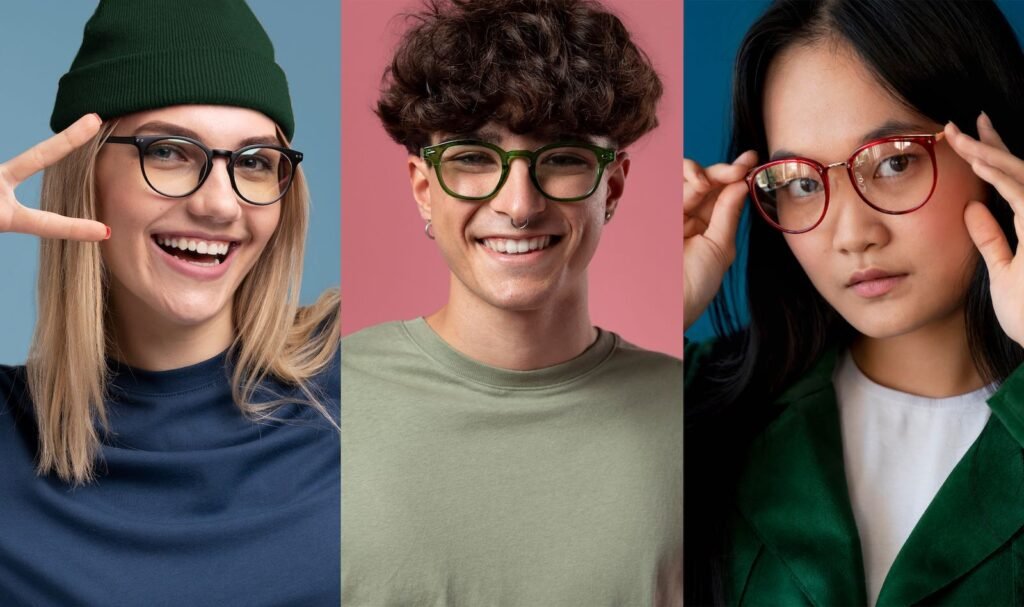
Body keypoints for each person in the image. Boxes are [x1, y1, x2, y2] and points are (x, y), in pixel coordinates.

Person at [341, 0, 682, 604]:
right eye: (474, 158)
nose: (519, 206)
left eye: (564, 159)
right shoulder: (320, 399)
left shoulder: (691, 411)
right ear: (424, 188)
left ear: (614, 188)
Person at [684, 0, 1024, 604]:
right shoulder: (689, 405)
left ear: (991, 148)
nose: (850, 233)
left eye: (894, 161)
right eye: (801, 182)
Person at [0, 1, 340, 604]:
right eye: (168, 151)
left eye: (256, 162)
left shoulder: (366, 379)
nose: (219, 205)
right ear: (86, 175)